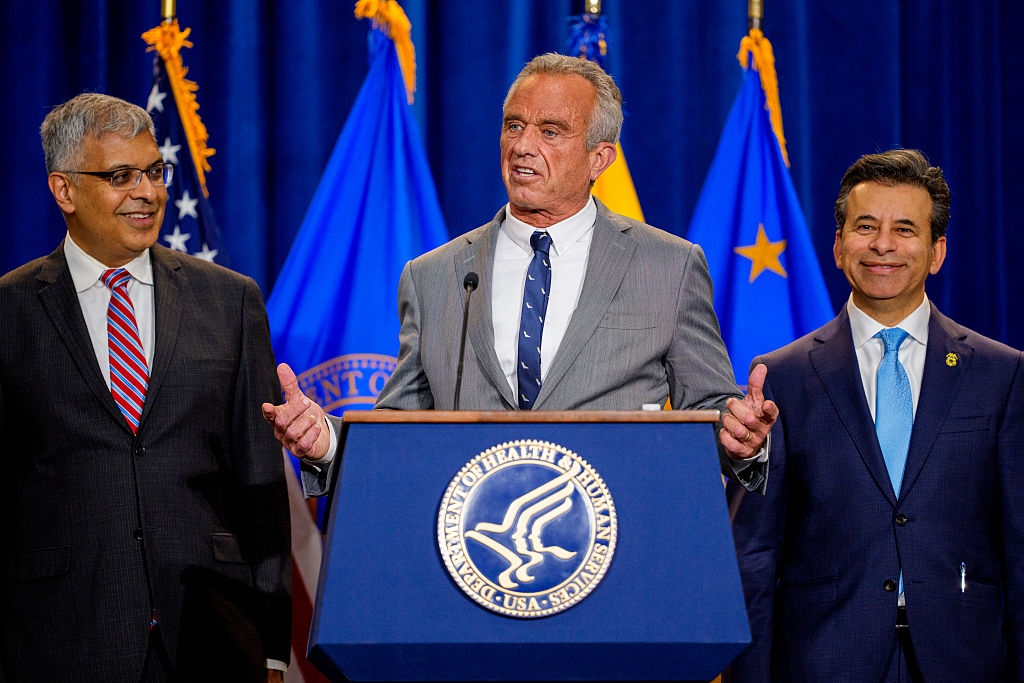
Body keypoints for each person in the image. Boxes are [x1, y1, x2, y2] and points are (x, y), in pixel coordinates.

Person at [265, 53, 777, 495]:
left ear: (600, 158)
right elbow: (402, 426)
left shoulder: (668, 266)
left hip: (618, 541)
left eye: (550, 131)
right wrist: (327, 441)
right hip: (471, 544)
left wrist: (738, 435)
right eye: (514, 125)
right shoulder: (434, 276)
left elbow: (709, 407)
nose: (522, 145)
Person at [0, 93, 291, 682]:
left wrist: (272, 647)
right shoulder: (10, 310)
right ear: (64, 191)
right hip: (59, 638)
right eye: (119, 176)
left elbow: (259, 482)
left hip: (214, 633)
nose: (148, 192)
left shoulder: (231, 300)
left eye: (155, 172)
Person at [723, 149, 1024, 682]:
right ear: (839, 247)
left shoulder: (1001, 376)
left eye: (905, 229)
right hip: (823, 660)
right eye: (865, 227)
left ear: (937, 252)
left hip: (966, 658)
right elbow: (755, 552)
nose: (883, 244)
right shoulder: (781, 378)